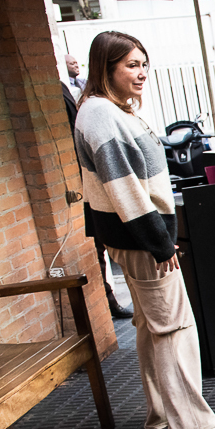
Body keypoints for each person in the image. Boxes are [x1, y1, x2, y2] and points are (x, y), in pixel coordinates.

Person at [74, 31, 215, 429]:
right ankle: (190, 424)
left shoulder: (107, 111)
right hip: (141, 238)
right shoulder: (101, 115)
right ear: (105, 68)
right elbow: (123, 188)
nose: (141, 73)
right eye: (131, 65)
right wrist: (159, 243)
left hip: (133, 236)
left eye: (144, 64)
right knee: (173, 325)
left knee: (151, 325)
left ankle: (161, 414)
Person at [63, 78, 134, 320]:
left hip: (91, 188)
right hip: (95, 190)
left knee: (100, 254)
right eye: (132, 65)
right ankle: (109, 300)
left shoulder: (80, 99)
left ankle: (109, 300)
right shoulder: (95, 110)